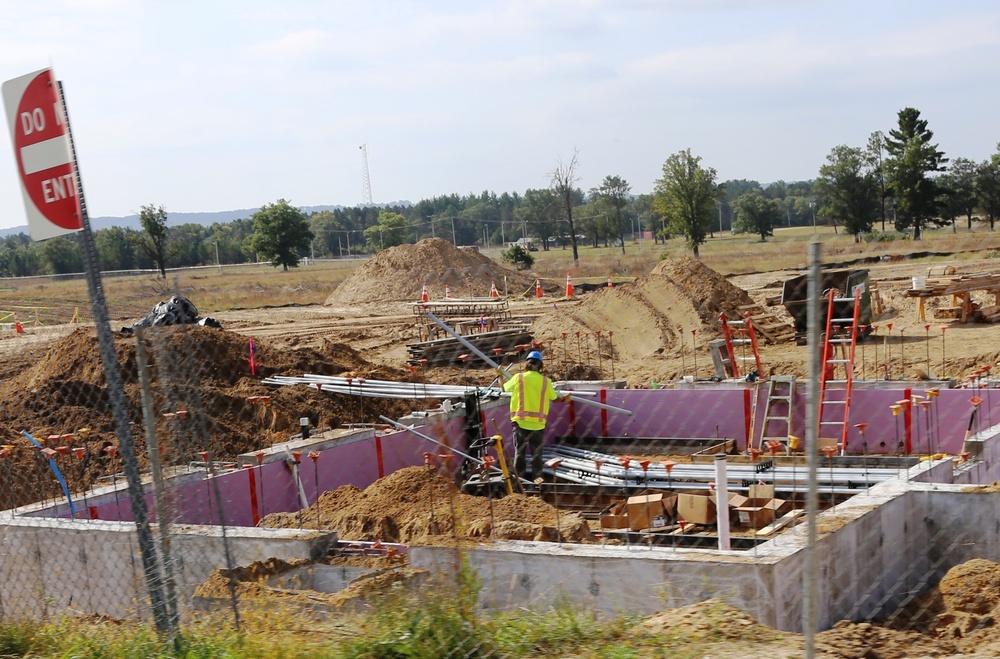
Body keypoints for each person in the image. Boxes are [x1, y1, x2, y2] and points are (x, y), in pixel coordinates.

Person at [498, 351, 569, 482]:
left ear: (527, 363)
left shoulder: (519, 378)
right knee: (537, 454)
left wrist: (500, 376)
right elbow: (555, 399)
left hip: (520, 422)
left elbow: (503, 389)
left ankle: (520, 480)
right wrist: (564, 399)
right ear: (540, 365)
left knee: (520, 453)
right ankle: (538, 479)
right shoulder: (545, 382)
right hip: (538, 424)